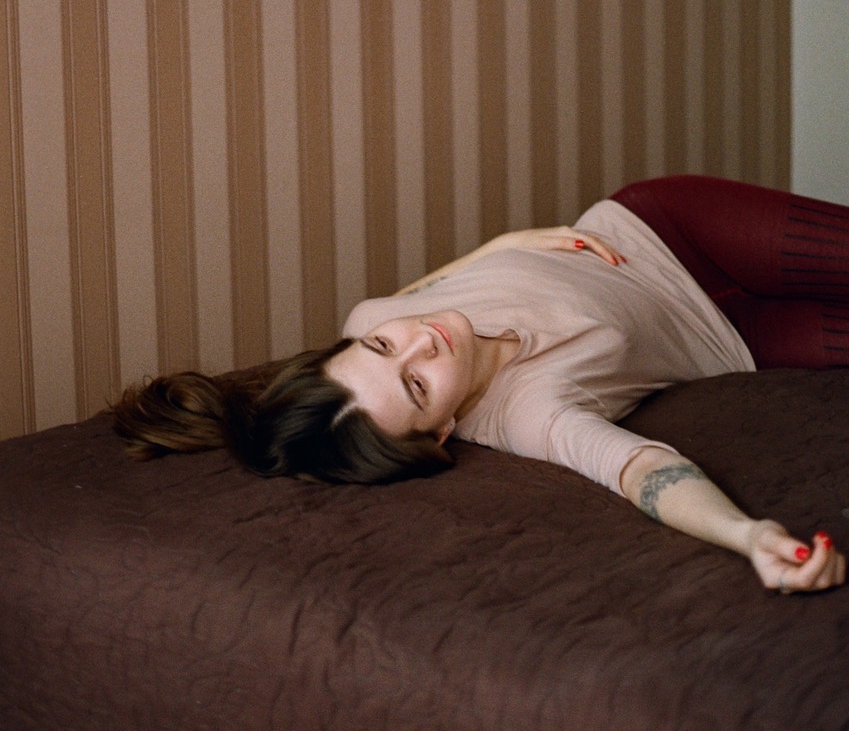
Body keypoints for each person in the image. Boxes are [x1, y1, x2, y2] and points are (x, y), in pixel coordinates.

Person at [114, 174, 848, 595]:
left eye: (379, 346)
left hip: (664, 230)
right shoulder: (526, 414)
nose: (419, 341)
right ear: (437, 431)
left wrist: (506, 243)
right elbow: (642, 471)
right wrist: (747, 537)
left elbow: (427, 290)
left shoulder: (379, 314)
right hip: (733, 336)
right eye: (416, 383)